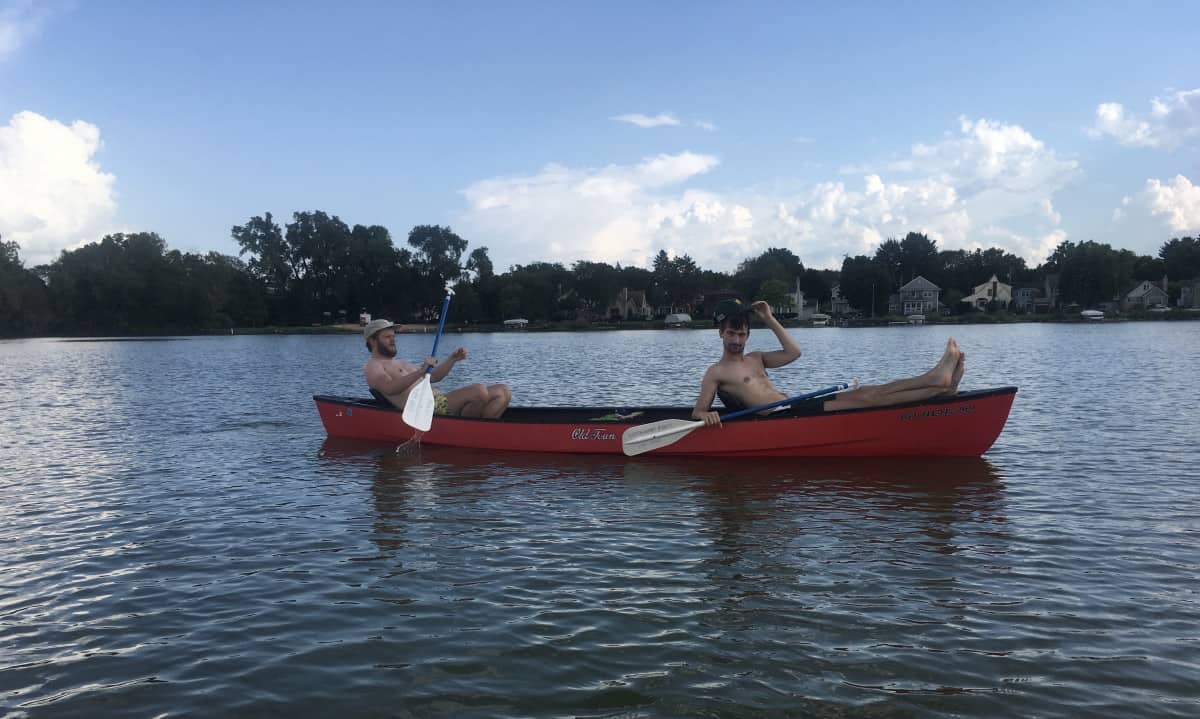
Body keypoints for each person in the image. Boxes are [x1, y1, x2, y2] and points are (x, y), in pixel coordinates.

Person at [691, 298, 965, 426]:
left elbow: (793, 352)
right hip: (785, 419)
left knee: (871, 393)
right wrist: (707, 415)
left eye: (742, 333)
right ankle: (934, 381)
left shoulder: (757, 358)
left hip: (795, 406)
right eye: (731, 333)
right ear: (721, 333)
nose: (736, 339)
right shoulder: (716, 372)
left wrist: (770, 319)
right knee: (871, 397)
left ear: (748, 335)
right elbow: (697, 412)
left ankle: (940, 388)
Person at [362, 319, 511, 419]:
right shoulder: (373, 367)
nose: (393, 339)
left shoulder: (401, 363)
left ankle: (478, 433)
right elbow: (389, 388)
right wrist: (420, 371)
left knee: (503, 392)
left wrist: (452, 359)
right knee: (479, 391)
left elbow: (433, 377)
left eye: (393, 336)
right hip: (425, 410)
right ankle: (469, 433)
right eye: (387, 337)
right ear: (373, 341)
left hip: (440, 401)